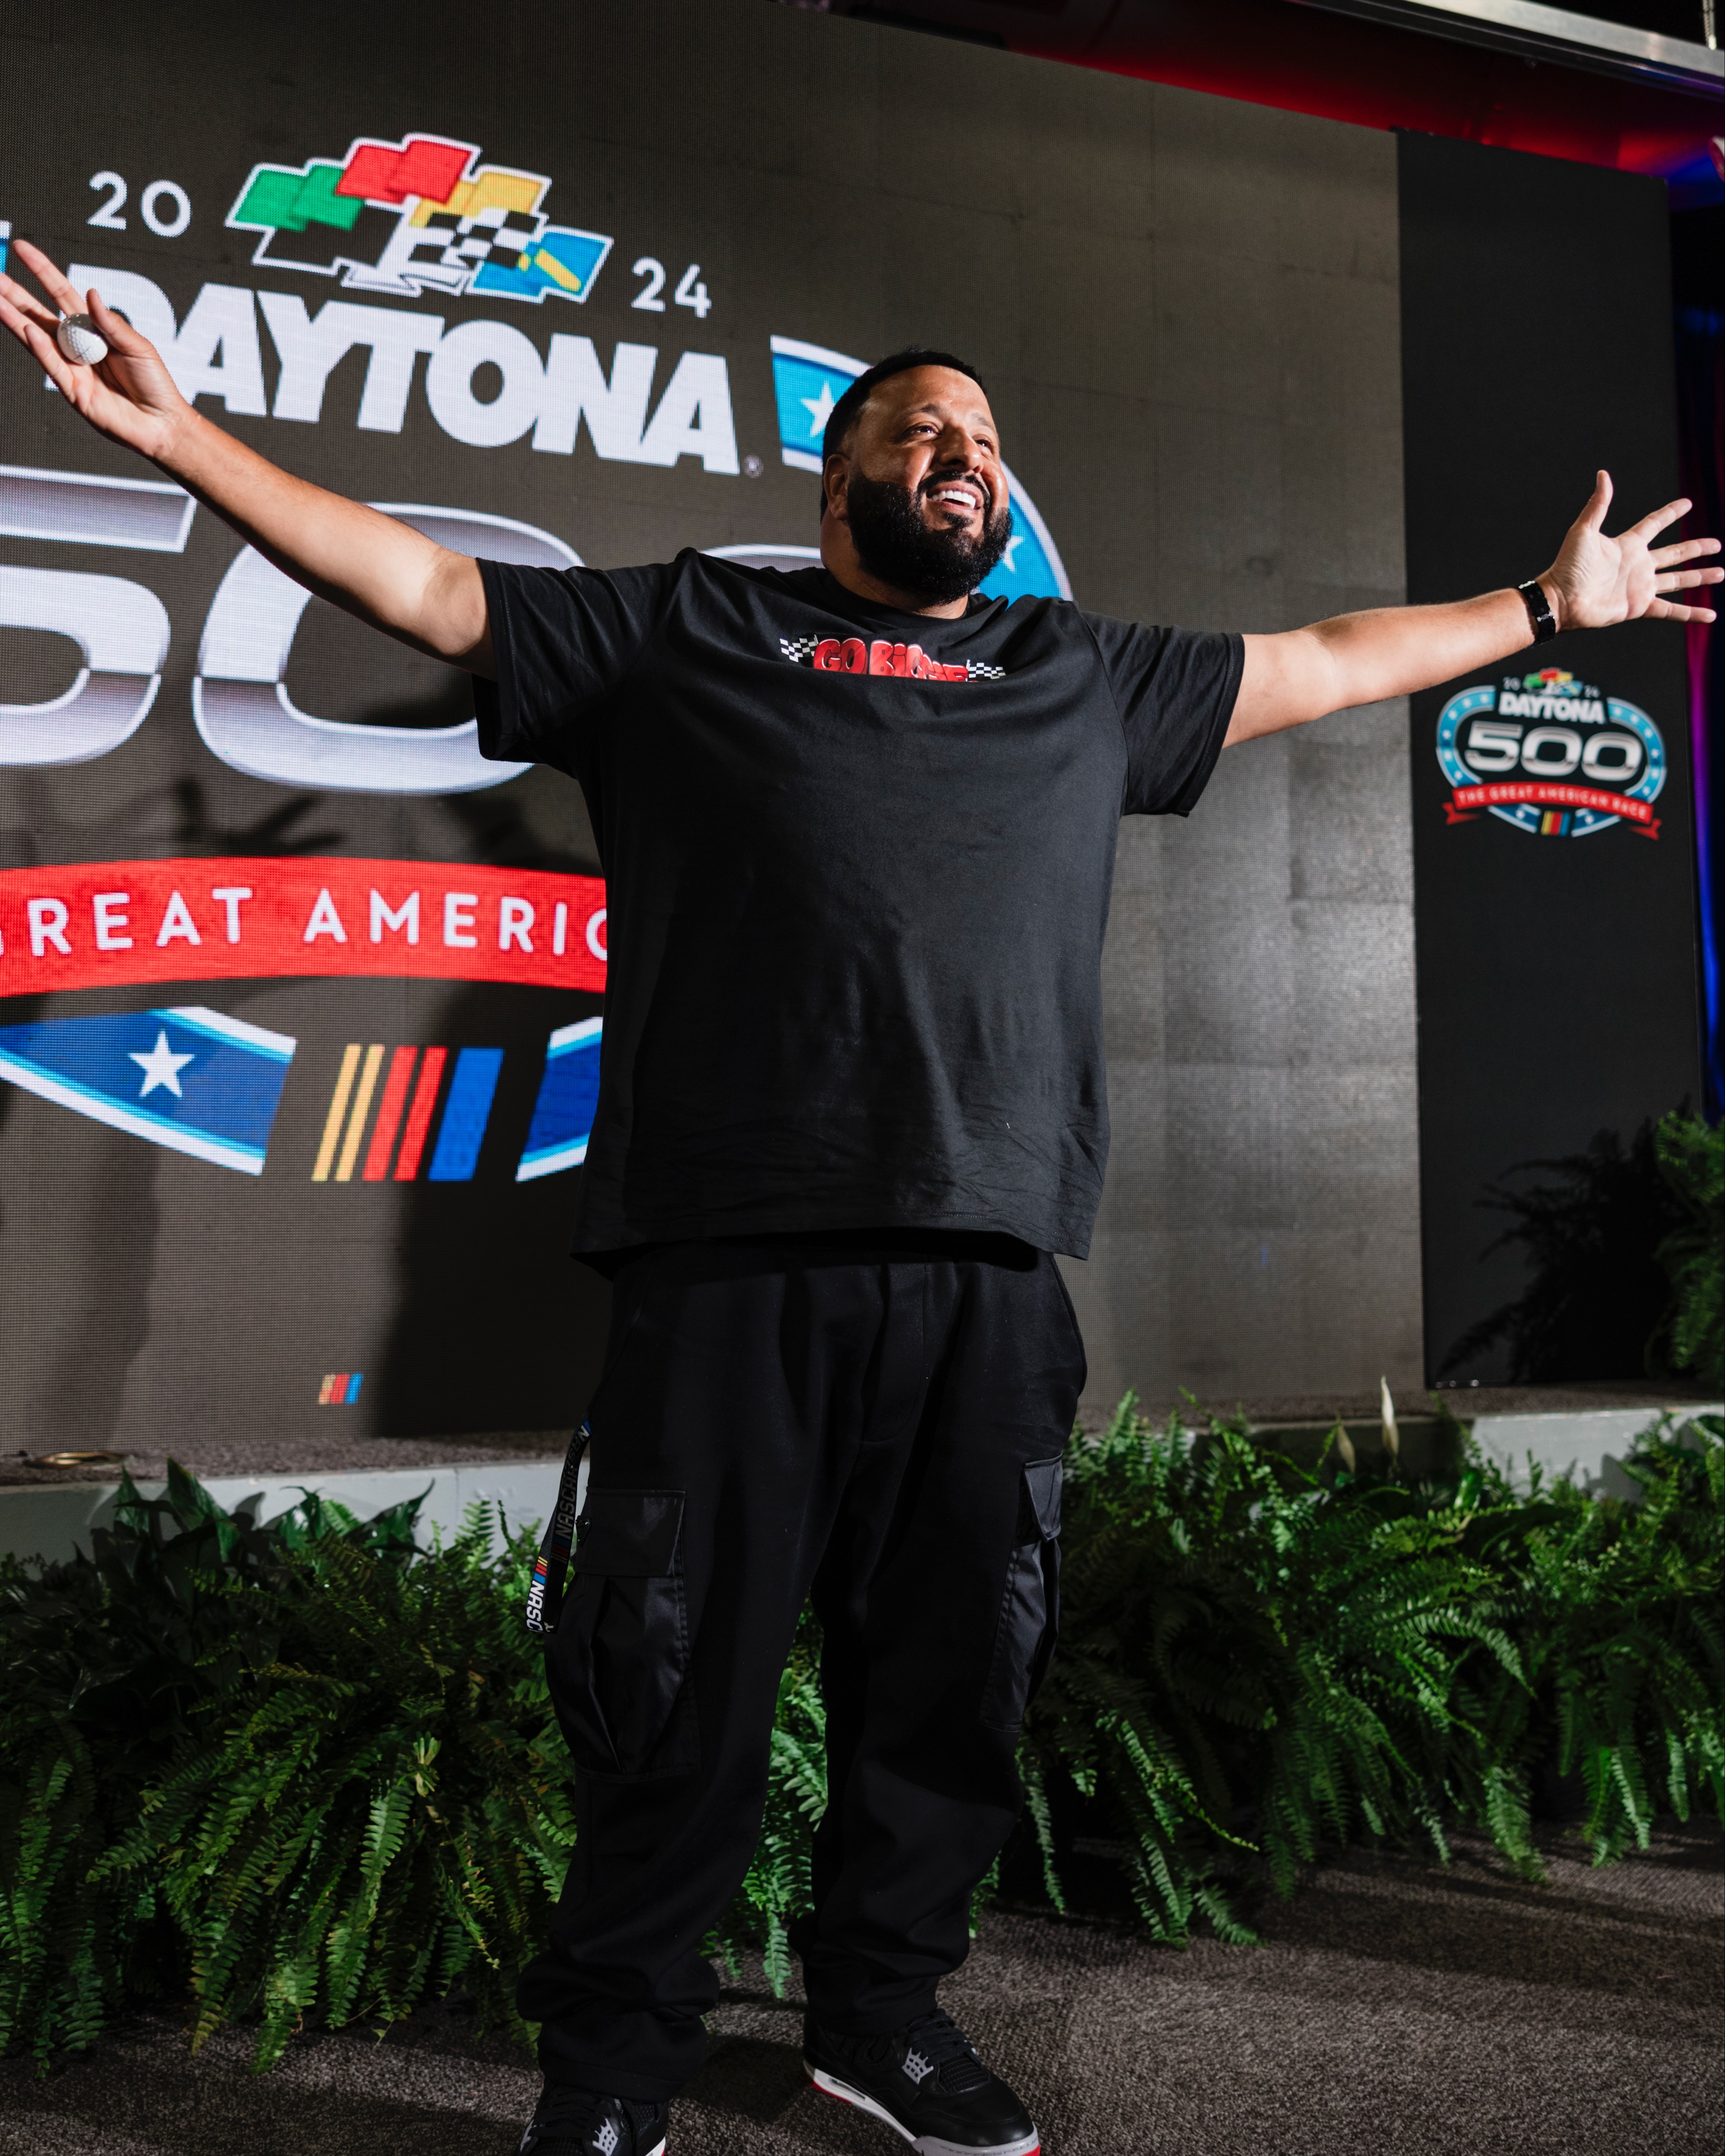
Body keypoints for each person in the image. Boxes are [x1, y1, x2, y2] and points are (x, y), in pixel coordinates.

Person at [2, 243, 1715, 2156]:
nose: (962, 454)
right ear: (842, 481)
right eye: (925, 431)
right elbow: (417, 582)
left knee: (948, 1687)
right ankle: (615, 2067)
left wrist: (1543, 611)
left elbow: (1323, 663)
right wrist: (180, 441)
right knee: (674, 1688)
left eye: (982, 438)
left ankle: (876, 2023)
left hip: (988, 1270)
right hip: (726, 1263)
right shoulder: (684, 637)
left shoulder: (1081, 673)